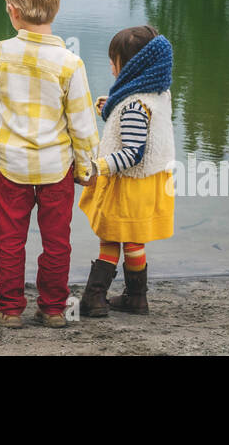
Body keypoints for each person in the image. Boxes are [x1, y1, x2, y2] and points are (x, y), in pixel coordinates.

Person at [0, 0, 98, 328]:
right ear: (56, 9)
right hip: (55, 169)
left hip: (12, 168)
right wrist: (86, 167)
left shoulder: (1, 53)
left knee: (10, 240)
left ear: (13, 12)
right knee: (57, 241)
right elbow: (82, 124)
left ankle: (10, 309)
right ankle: (52, 308)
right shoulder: (69, 63)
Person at [78, 25, 175, 316]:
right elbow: (136, 124)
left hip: (127, 185)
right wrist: (110, 107)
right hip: (149, 184)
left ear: (133, 66)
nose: (111, 64)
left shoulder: (133, 105)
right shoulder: (157, 95)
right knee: (134, 240)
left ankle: (94, 299)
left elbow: (132, 153)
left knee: (110, 238)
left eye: (115, 60)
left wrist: (99, 166)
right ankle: (137, 298)